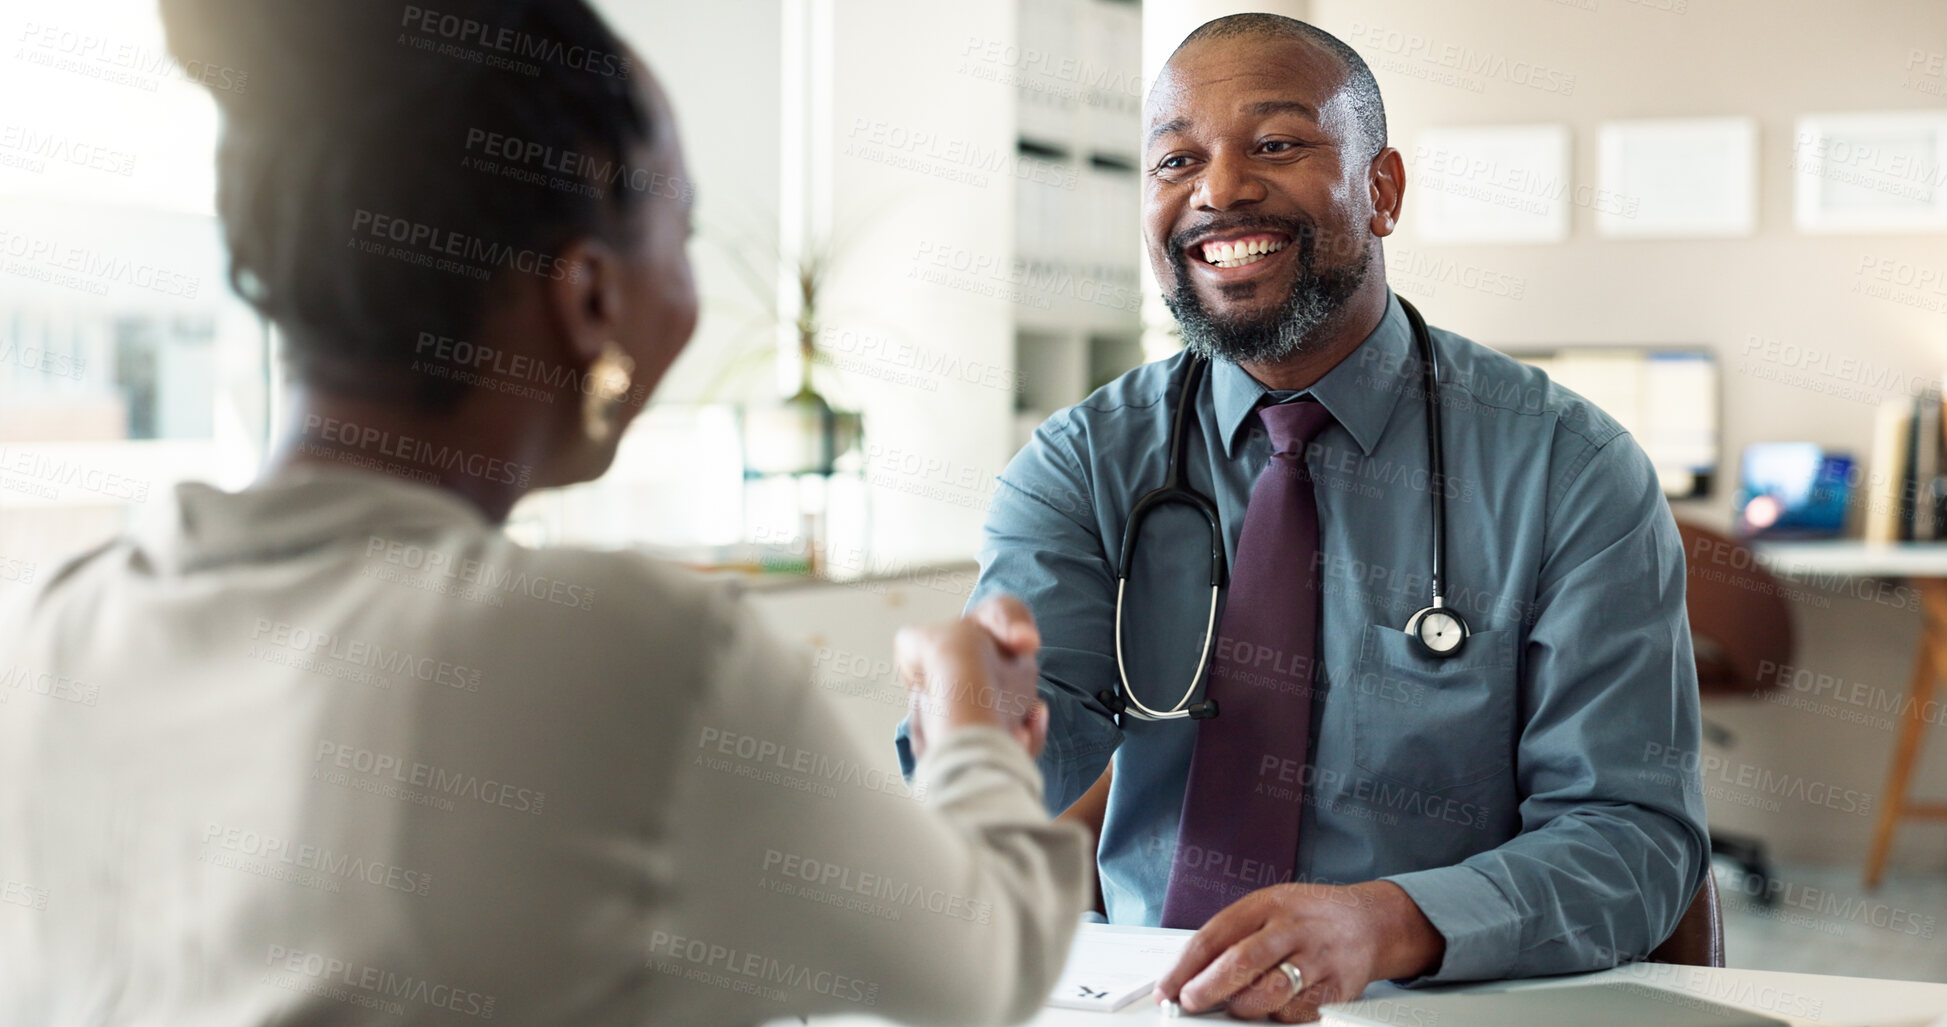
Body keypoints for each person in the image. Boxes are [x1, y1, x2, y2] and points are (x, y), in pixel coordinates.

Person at [0, 1, 1088, 1024]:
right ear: (590, 295)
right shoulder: (619, 646)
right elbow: (981, 960)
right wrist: (972, 718)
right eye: (685, 231)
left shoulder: (55, 624)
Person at [899, 13, 1709, 1022]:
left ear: (1383, 189)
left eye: (1276, 143)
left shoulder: (1568, 468)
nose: (1219, 187)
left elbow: (1634, 840)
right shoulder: (1084, 464)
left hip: (1445, 999)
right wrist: (972, 721)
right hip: (1151, 996)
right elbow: (1014, 752)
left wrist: (1385, 924)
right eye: (1176, 158)